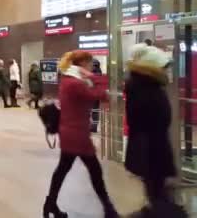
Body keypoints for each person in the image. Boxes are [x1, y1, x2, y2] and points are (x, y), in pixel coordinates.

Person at [44, 51, 118, 218]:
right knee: (95, 171)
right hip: (77, 136)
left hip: (70, 133)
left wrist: (88, 77)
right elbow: (100, 95)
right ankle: (109, 210)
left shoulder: (69, 80)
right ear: (82, 63)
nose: (91, 66)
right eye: (89, 63)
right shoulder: (75, 84)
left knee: (63, 169)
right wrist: (94, 76)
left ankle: (50, 204)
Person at [124, 44, 180, 215]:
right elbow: (143, 117)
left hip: (152, 144)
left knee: (155, 185)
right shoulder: (143, 85)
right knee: (156, 185)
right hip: (150, 145)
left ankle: (156, 210)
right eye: (163, 67)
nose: (165, 70)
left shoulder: (145, 84)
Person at [91, 59, 103, 132]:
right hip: (97, 94)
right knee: (95, 111)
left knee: (90, 111)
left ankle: (91, 126)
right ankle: (94, 127)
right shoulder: (99, 71)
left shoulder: (91, 72)